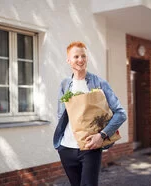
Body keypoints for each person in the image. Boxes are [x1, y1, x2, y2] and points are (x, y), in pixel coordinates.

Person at [53, 41, 127, 186]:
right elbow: (61, 115)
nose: (80, 60)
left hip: (91, 148)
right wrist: (60, 146)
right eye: (76, 57)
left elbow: (120, 113)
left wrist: (102, 135)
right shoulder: (64, 84)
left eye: (83, 56)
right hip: (66, 148)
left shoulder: (100, 83)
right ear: (68, 60)